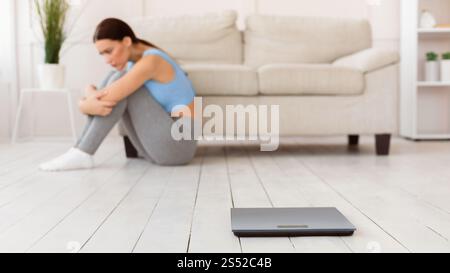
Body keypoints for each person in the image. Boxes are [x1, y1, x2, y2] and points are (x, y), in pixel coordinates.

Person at [39, 18, 197, 171]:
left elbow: (109, 95)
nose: (107, 59)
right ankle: (80, 151)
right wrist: (89, 92)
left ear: (127, 41)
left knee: (121, 85)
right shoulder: (132, 62)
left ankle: (82, 152)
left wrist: (83, 104)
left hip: (179, 146)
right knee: (115, 77)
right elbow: (105, 91)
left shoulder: (152, 60)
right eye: (102, 54)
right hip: (159, 147)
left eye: (109, 51)